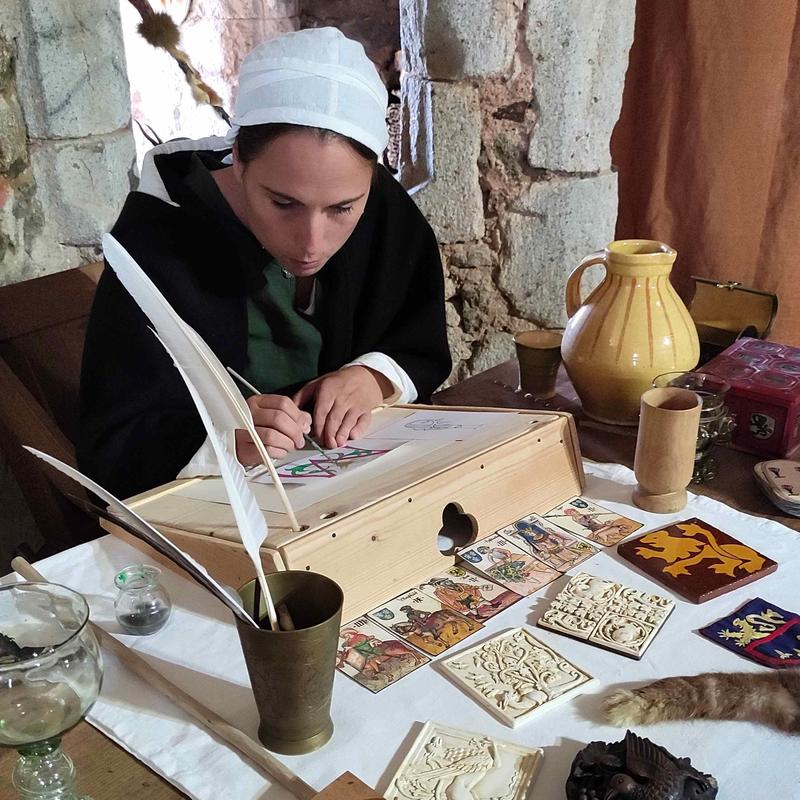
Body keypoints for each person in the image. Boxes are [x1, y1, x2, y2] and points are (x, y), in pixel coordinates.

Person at [77, 27, 451, 499]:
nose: (312, 243)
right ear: (238, 159)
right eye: (283, 203)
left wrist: (371, 377)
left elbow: (417, 339)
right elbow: (114, 444)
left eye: (341, 209)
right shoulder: (156, 245)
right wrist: (222, 441)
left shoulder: (377, 201)